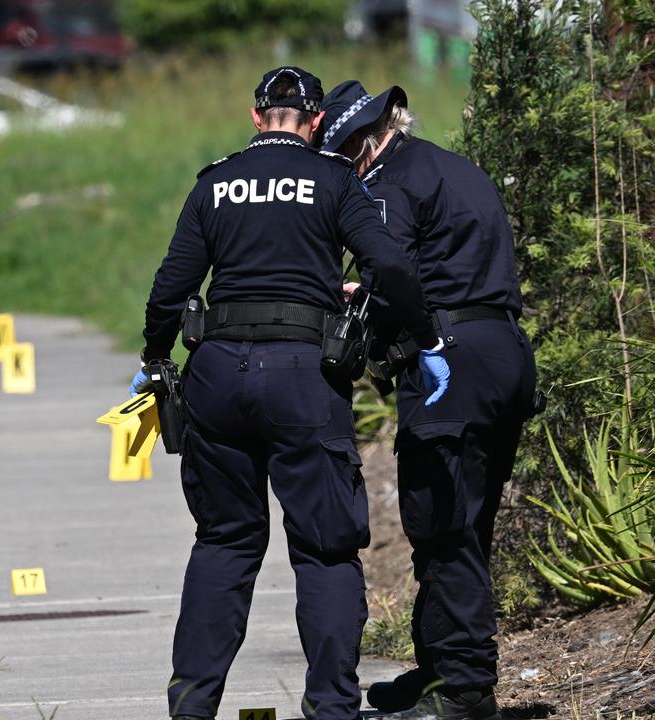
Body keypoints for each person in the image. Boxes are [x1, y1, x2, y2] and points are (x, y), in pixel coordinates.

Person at [134, 66, 451, 720]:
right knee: (325, 547)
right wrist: (424, 336)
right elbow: (388, 263)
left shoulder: (215, 183)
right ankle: (332, 707)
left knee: (224, 543)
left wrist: (153, 355)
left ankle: (192, 705)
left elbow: (171, 287)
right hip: (305, 376)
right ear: (313, 124)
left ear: (256, 118)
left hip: (218, 373)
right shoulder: (334, 180)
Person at [317, 80, 538, 720]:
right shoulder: (453, 167)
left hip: (451, 361)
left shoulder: (386, 184)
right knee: (464, 519)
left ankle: (467, 689)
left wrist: (366, 312)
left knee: (443, 526)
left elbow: (395, 272)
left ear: (361, 141)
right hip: (502, 350)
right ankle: (442, 668)